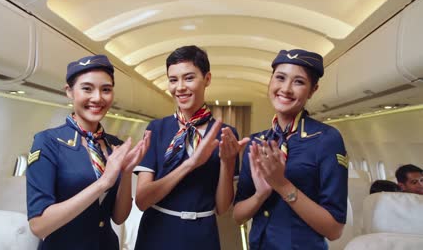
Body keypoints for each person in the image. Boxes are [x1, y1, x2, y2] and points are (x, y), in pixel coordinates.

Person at [26, 55, 151, 250]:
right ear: (69, 91)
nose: (98, 98)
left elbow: (118, 218)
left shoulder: (114, 145)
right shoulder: (48, 142)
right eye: (87, 88)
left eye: (106, 90)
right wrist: (104, 182)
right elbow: (39, 225)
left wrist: (126, 173)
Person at [133, 45, 249, 250]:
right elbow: (142, 200)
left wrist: (228, 162)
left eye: (188, 78)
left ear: (207, 79)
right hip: (157, 232)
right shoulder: (157, 129)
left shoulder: (224, 133)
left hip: (202, 234)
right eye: (173, 80)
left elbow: (222, 208)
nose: (180, 87)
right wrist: (192, 164)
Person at [233, 49, 348, 249]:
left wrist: (282, 184)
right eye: (280, 78)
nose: (285, 89)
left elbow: (334, 230)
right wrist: (261, 194)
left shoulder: (326, 139)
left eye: (299, 82)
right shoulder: (256, 142)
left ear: (313, 90)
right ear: (270, 82)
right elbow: (238, 216)